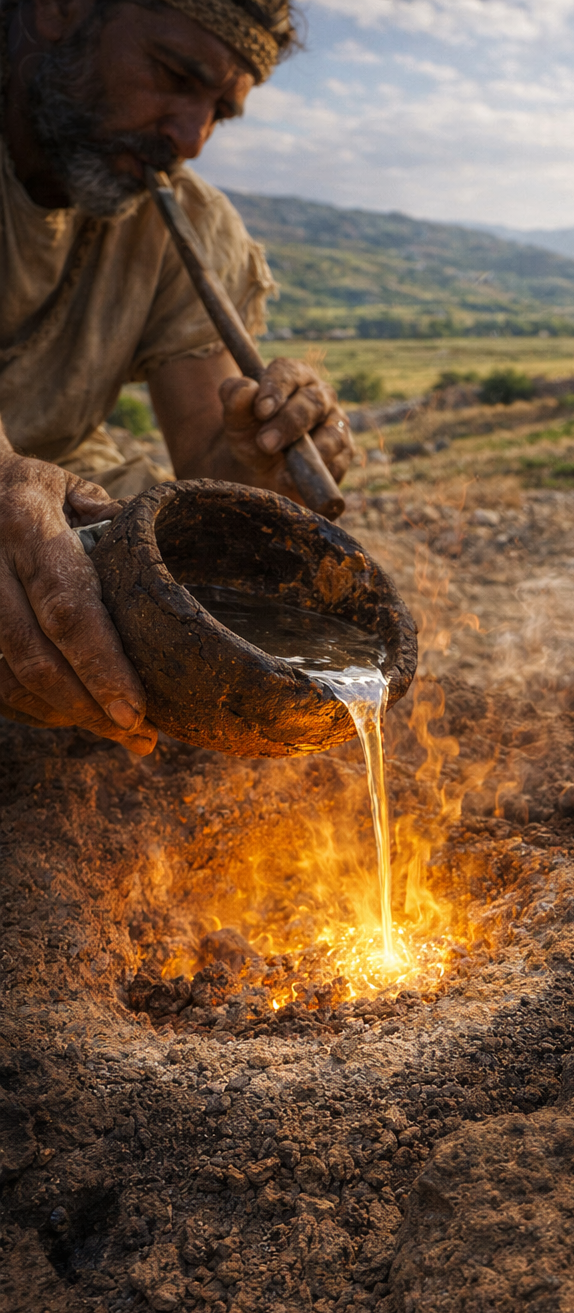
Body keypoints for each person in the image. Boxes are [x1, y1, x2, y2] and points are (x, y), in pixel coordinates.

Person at [0, 0, 353, 756]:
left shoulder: (184, 223)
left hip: (38, 511)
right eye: (172, 74)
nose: (188, 137)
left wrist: (263, 458)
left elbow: (208, 462)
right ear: (62, 10)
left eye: (218, 111)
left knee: (166, 549)